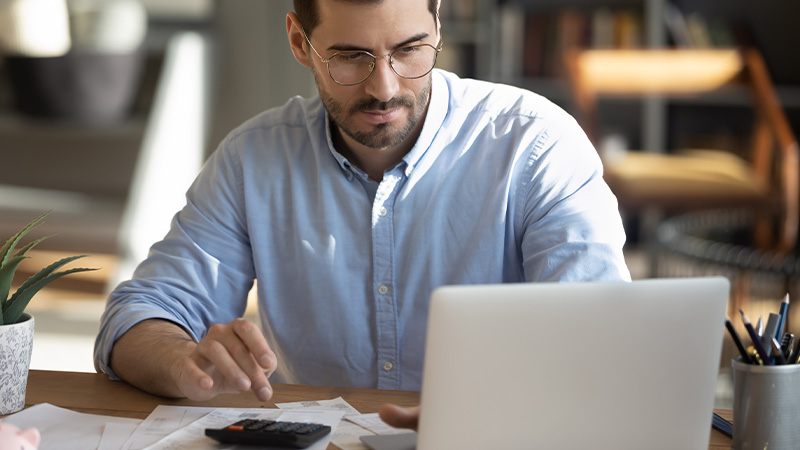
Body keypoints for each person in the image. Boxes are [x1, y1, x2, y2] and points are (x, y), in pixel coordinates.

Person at [94, 0, 630, 424]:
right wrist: (182, 362)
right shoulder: (252, 158)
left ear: (438, 24)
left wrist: (491, 418)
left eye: (410, 49)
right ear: (300, 42)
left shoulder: (535, 144)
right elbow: (136, 317)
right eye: (351, 56)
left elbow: (601, 340)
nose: (385, 87)